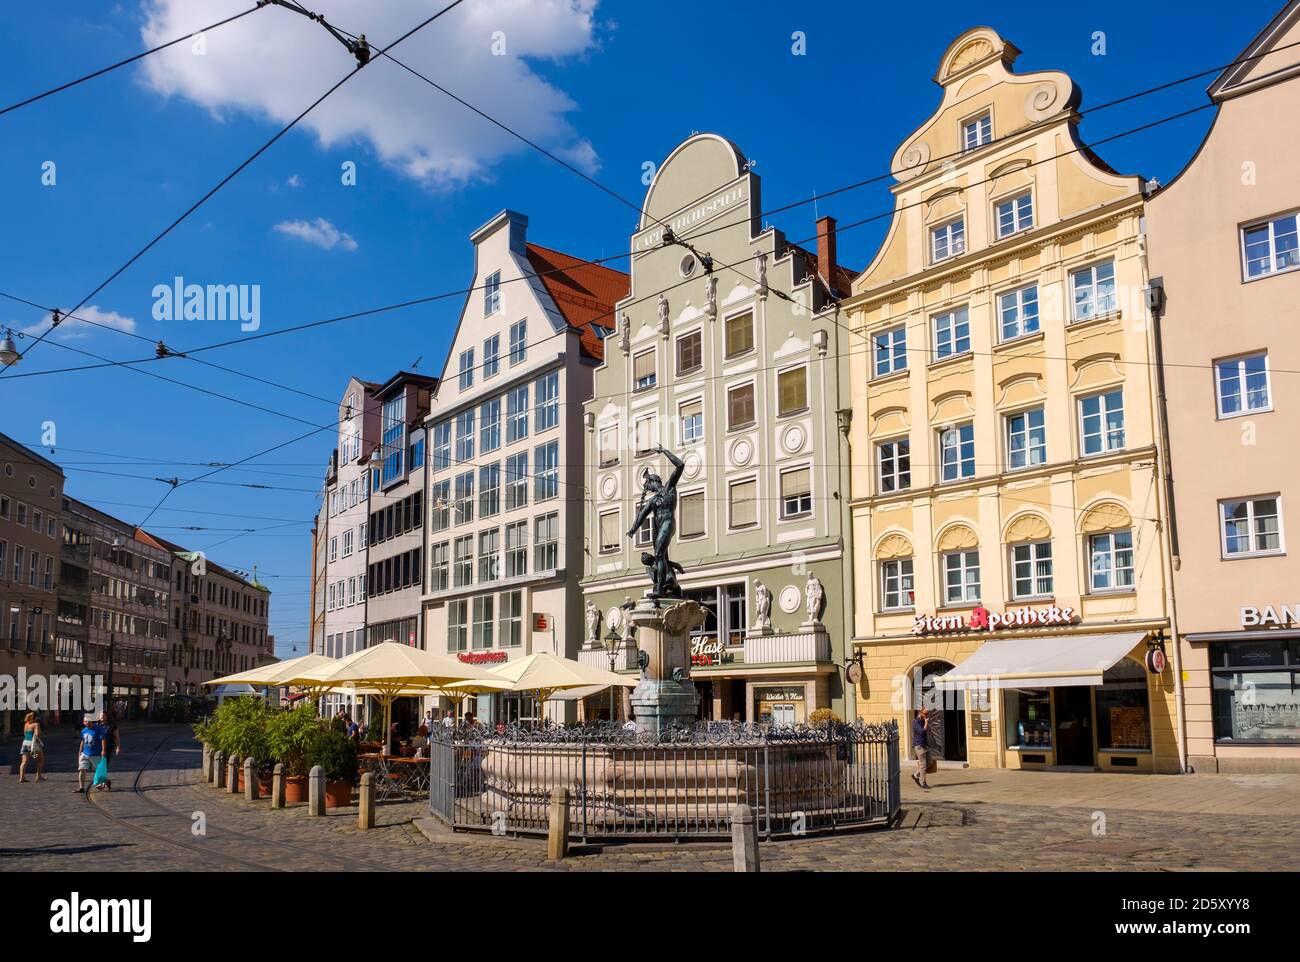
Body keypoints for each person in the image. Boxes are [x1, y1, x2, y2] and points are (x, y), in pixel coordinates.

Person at [76, 714, 105, 794]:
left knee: (98, 771)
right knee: (82, 770)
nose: (85, 723)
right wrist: (80, 751)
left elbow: (103, 740)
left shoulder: (99, 729)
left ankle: (103, 783)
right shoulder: (84, 730)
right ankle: (81, 787)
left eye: (87, 721)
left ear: (92, 722)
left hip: (95, 754)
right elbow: (82, 741)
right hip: (85, 754)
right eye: (84, 721)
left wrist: (103, 750)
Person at [18, 712, 45, 783]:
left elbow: (25, 734)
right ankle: (38, 776)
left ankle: (21, 777)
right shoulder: (36, 724)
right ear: (35, 718)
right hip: (33, 745)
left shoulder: (26, 724)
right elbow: (37, 735)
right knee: (40, 759)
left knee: (24, 761)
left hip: (25, 743)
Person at [911, 708, 931, 790]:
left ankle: (916, 775)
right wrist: (926, 723)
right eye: (925, 714)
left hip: (924, 744)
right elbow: (922, 731)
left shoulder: (923, 719)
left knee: (929, 762)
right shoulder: (916, 722)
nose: (927, 716)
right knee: (923, 764)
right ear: (921, 713)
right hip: (918, 745)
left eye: (928, 714)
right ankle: (923, 782)